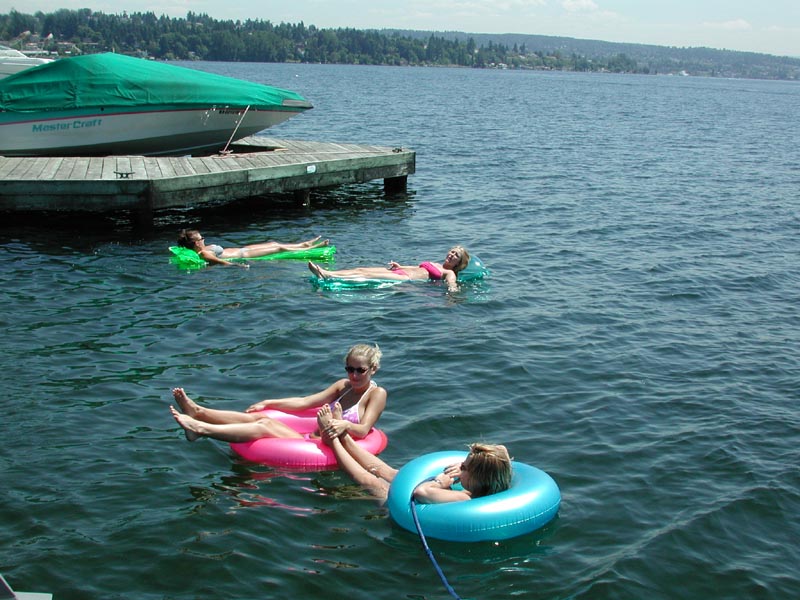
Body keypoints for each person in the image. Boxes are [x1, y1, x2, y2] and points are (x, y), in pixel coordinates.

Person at [170, 344, 386, 443]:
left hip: (322, 446)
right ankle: (198, 411)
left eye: (360, 370)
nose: (354, 375)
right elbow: (305, 402)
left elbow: (364, 430)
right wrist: (269, 402)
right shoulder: (343, 386)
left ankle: (200, 429)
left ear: (373, 369)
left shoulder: (376, 394)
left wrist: (344, 424)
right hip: (311, 437)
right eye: (350, 369)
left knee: (264, 426)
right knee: (262, 417)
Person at [317, 402, 512, 502]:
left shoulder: (465, 497)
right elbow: (502, 451)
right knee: (391, 473)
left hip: (394, 505)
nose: (460, 467)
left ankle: (334, 440)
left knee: (370, 480)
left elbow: (421, 492)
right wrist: (465, 469)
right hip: (464, 481)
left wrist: (439, 482)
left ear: (479, 478)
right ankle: (347, 439)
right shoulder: (485, 482)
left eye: (464, 467)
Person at [308, 246, 470, 292]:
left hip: (406, 279)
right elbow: (418, 267)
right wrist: (401, 266)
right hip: (402, 271)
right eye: (452, 251)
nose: (451, 255)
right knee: (362, 269)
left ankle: (328, 276)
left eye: (455, 255)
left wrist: (452, 295)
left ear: (458, 263)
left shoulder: (449, 273)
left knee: (369, 276)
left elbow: (452, 286)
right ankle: (328, 272)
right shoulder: (436, 263)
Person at [177, 228, 329, 267]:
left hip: (243, 249)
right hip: (244, 255)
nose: (204, 239)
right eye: (201, 238)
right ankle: (308, 249)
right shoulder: (204, 253)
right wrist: (238, 266)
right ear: (197, 243)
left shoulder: (204, 249)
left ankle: (303, 244)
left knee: (273, 243)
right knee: (278, 249)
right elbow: (223, 263)